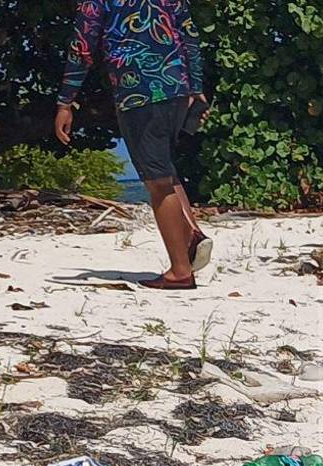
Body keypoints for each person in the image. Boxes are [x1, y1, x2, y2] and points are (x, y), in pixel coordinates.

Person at [53, 0, 212, 290]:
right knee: (164, 168)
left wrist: (65, 102)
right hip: (176, 87)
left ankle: (180, 271)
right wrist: (197, 88)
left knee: (157, 181)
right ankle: (190, 234)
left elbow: (82, 48)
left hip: (138, 91)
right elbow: (189, 35)